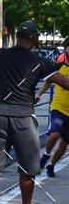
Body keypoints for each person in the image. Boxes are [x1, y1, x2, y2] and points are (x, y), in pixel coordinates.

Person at [0, 20, 69, 204]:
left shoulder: (1, 55)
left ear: (17, 36)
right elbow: (64, 82)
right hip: (23, 118)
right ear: (35, 38)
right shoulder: (38, 61)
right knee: (28, 165)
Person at [37, 37, 69, 177]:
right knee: (55, 133)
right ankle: (46, 154)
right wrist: (38, 95)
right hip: (58, 107)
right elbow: (48, 82)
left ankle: (51, 165)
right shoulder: (57, 67)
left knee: (63, 145)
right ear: (65, 50)